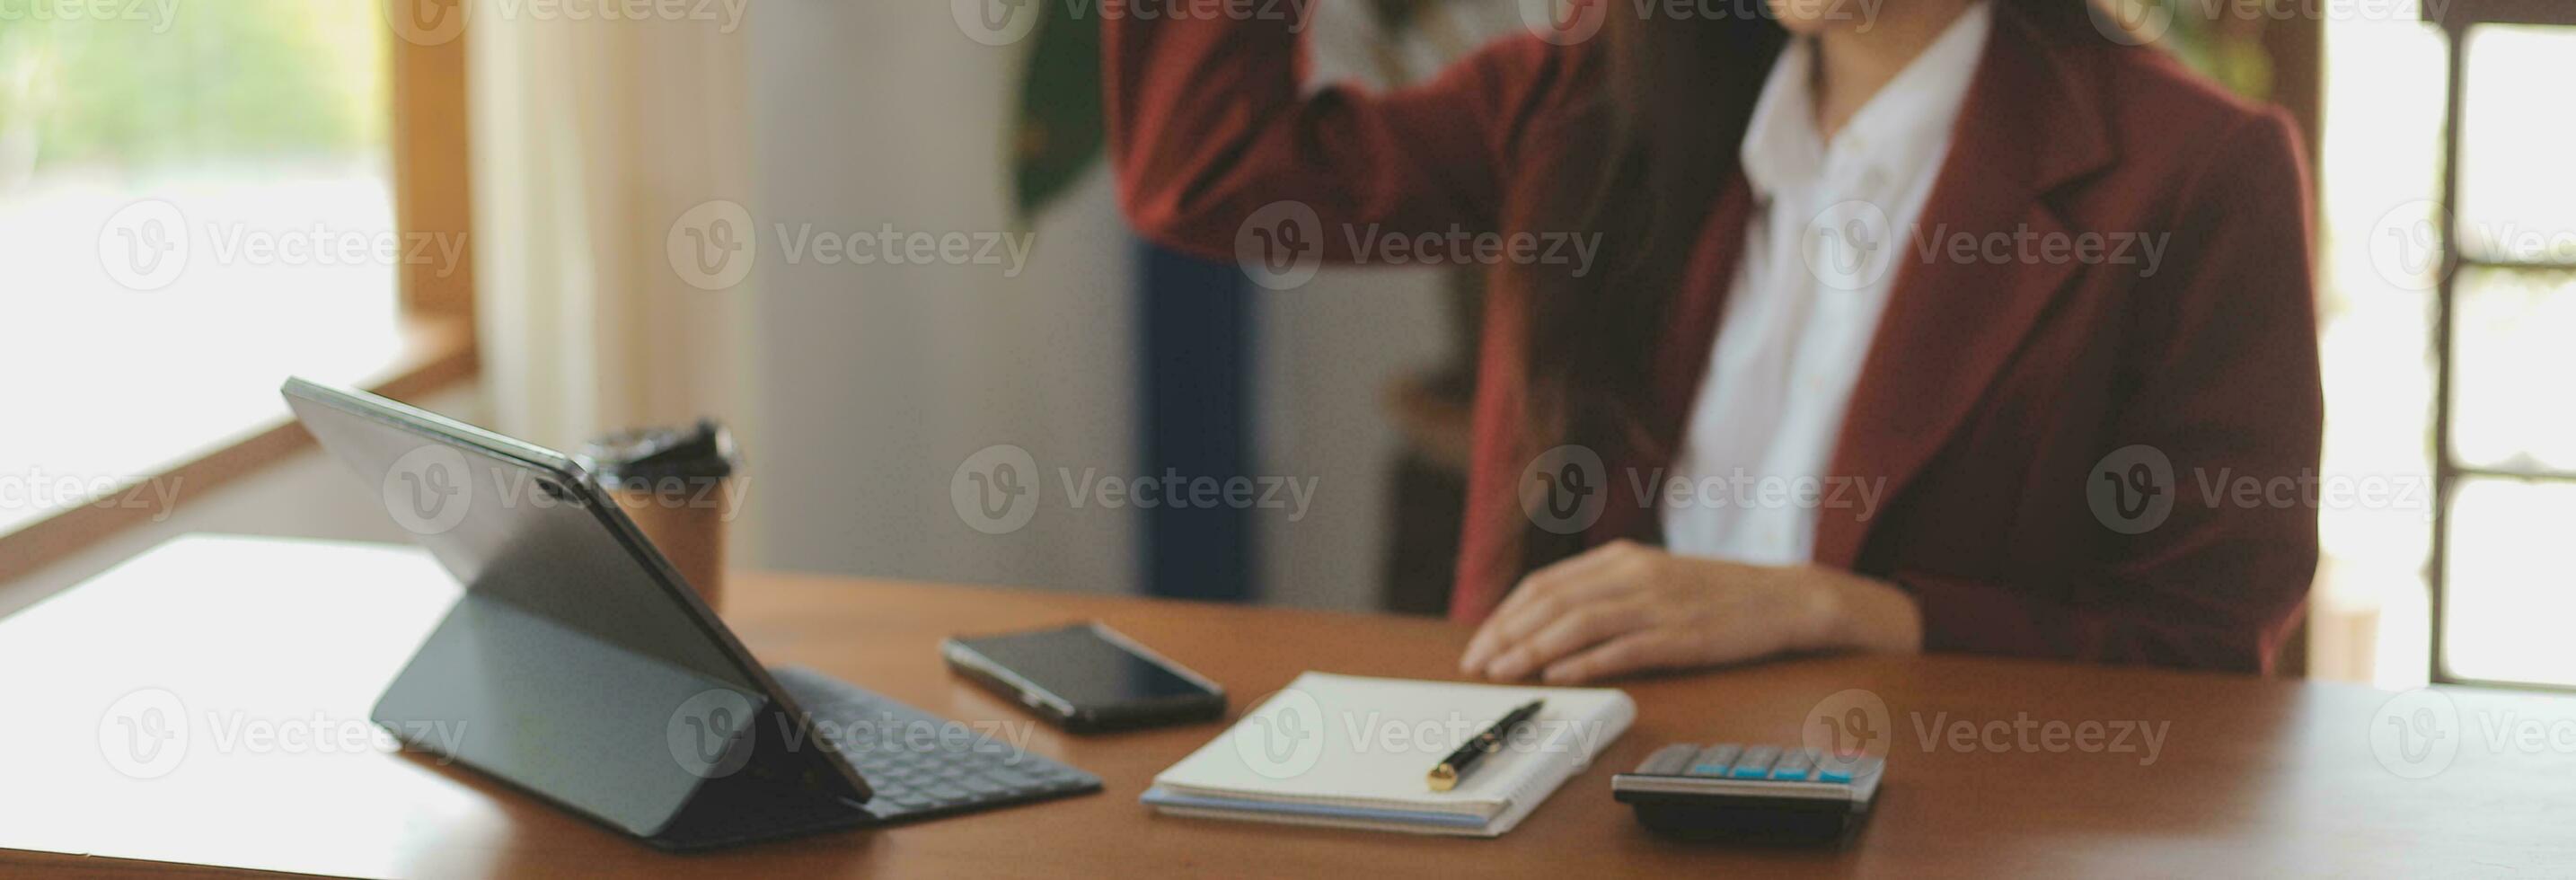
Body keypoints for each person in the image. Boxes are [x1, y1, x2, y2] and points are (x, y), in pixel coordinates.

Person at [1106, 0, 2322, 680]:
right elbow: (1212, 174)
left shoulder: (2192, 173)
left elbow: (2204, 650)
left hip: (1938, 834)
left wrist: (1846, 611)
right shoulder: (1596, 94)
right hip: (1565, 824)